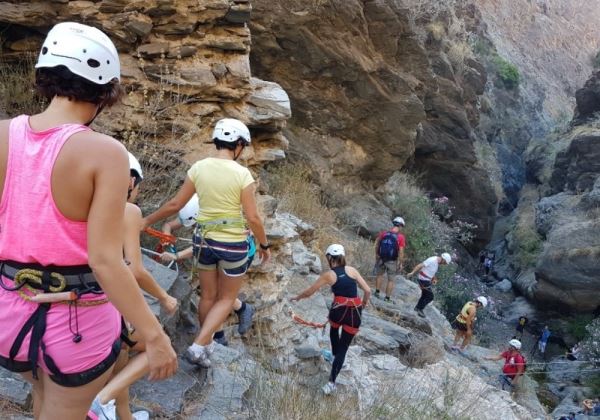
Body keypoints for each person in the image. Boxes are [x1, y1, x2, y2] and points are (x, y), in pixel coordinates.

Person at [0, 22, 176, 419]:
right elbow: (106, 260)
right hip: (77, 322)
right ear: (105, 91)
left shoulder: (3, 135)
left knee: (44, 403)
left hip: (11, 311)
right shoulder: (104, 152)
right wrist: (153, 333)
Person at [143, 118, 270, 368]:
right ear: (239, 144)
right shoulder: (243, 174)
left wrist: (146, 220)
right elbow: (253, 217)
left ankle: (207, 344)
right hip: (232, 243)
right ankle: (199, 345)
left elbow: (175, 205)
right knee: (226, 298)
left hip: (203, 241)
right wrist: (264, 245)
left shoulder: (199, 167)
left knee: (208, 296)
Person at [89, 152, 179, 420]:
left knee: (121, 362)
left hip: (74, 300)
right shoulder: (128, 210)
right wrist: (164, 297)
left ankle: (121, 415)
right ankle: (100, 401)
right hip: (105, 305)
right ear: (129, 181)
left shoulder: (79, 206)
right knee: (158, 346)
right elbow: (135, 269)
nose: (137, 192)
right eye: (138, 186)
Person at [160, 195, 255, 344]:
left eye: (194, 225)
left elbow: (199, 246)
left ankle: (224, 331)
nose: (193, 228)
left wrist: (176, 255)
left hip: (240, 255)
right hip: (216, 252)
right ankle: (224, 330)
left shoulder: (217, 220)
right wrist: (166, 240)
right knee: (214, 296)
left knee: (220, 297)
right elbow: (168, 225)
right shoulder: (193, 210)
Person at [291, 244, 371, 395]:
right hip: (355, 312)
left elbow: (310, 291)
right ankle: (331, 382)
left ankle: (334, 357)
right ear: (343, 256)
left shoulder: (329, 275)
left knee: (334, 330)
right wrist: (364, 304)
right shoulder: (352, 270)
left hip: (338, 310)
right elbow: (367, 290)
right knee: (344, 347)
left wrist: (297, 298)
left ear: (329, 257)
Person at [406, 253, 452, 318]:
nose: (444, 264)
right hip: (423, 279)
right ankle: (419, 309)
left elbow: (431, 271)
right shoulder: (432, 260)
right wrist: (412, 273)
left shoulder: (437, 263)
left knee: (425, 295)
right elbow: (420, 265)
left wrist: (433, 279)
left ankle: (417, 308)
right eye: (445, 263)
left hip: (426, 280)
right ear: (443, 260)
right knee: (430, 296)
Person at [373, 217, 406, 302]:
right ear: (401, 226)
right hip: (392, 261)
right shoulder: (400, 237)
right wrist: (400, 263)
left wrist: (377, 254)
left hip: (381, 258)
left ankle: (376, 292)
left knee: (379, 275)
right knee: (391, 280)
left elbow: (377, 244)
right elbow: (401, 252)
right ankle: (387, 298)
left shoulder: (384, 233)